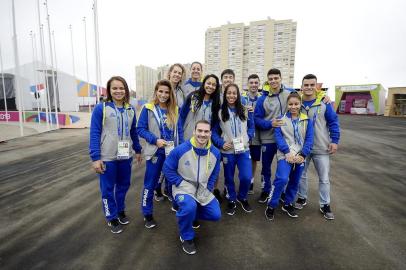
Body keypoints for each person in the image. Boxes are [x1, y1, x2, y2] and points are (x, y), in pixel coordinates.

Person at [89, 76, 142, 234]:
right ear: (109, 90)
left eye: (121, 88)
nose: (118, 91)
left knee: (124, 185)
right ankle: (111, 216)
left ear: (126, 90)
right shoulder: (102, 108)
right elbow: (95, 133)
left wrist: (138, 149)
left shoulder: (130, 109)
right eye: (115, 88)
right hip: (107, 156)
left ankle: (120, 210)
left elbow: (133, 131)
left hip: (125, 155)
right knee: (107, 188)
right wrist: (95, 158)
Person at [163, 120, 221, 255]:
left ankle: (187, 212)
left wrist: (209, 188)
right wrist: (179, 182)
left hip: (202, 189)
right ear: (194, 132)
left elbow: (214, 173)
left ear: (210, 133)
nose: (202, 134)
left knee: (215, 215)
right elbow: (167, 168)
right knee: (189, 206)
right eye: (199, 131)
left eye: (206, 131)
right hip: (183, 186)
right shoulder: (181, 149)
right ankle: (186, 236)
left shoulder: (216, 153)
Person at [137, 79, 183, 228]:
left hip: (172, 152)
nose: (163, 94)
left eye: (166, 92)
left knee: (174, 181)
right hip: (156, 152)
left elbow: (180, 131)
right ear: (156, 92)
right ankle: (147, 213)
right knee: (150, 183)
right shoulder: (148, 108)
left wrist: (181, 149)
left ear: (170, 94)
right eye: (160, 91)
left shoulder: (175, 109)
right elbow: (140, 129)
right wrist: (154, 139)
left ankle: (177, 204)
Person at [295, 74, 340, 220]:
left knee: (324, 178)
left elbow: (333, 122)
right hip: (303, 148)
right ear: (301, 87)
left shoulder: (324, 102)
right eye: (306, 85)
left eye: (311, 85)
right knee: (301, 175)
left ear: (316, 86)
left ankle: (325, 205)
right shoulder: (297, 102)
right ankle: (302, 198)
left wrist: (335, 140)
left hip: (322, 147)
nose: (308, 88)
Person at [265, 92, 314, 221]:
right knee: (281, 178)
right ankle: (271, 205)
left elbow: (309, 139)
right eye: (291, 104)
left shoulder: (307, 120)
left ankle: (287, 204)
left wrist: (303, 154)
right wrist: (286, 152)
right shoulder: (281, 119)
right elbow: (279, 137)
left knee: (295, 180)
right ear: (287, 104)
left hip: (300, 156)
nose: (293, 107)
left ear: (300, 104)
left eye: (296, 104)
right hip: (285, 154)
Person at [212, 84, 255, 215]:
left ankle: (242, 197)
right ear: (225, 95)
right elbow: (213, 132)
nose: (231, 95)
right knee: (229, 177)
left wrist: (247, 138)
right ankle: (231, 199)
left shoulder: (246, 110)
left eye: (234, 93)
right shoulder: (219, 112)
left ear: (238, 95)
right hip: (228, 151)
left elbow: (251, 127)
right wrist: (221, 143)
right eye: (229, 93)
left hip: (244, 150)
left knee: (246, 177)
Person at [254, 68, 295, 204]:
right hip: (268, 138)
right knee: (266, 167)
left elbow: (301, 102)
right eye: (270, 79)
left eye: (276, 78)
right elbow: (257, 119)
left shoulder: (289, 94)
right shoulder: (262, 99)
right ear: (268, 80)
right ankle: (265, 191)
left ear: (280, 78)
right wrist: (270, 123)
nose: (273, 81)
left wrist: (324, 97)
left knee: (284, 168)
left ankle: (280, 192)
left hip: (287, 139)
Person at [154, 63, 186, 202]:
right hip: (160, 132)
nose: (177, 75)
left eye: (180, 73)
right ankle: (157, 187)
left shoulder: (181, 91)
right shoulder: (162, 87)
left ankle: (168, 189)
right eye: (175, 72)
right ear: (170, 72)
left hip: (174, 131)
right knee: (160, 163)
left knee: (171, 162)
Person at [179, 74, 221, 141]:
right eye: (208, 83)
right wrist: (181, 138)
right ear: (204, 83)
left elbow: (214, 126)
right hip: (187, 139)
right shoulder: (193, 96)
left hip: (204, 142)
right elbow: (181, 117)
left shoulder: (216, 104)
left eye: (214, 85)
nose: (210, 86)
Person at [242, 74, 262, 194]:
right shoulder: (241, 97)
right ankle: (243, 180)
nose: (254, 85)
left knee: (254, 159)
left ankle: (251, 181)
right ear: (248, 84)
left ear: (259, 83)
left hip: (257, 135)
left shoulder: (262, 98)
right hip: (243, 135)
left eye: (256, 82)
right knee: (242, 157)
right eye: (251, 82)